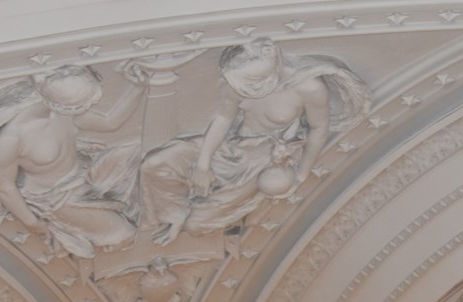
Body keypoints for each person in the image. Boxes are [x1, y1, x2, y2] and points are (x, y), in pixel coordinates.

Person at [140, 38, 370, 245]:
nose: (252, 88)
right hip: (231, 146)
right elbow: (223, 119)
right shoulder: (240, 81)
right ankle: (173, 212)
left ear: (272, 54)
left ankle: (198, 217)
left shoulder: (309, 88)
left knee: (196, 226)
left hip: (262, 156)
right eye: (247, 82)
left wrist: (301, 173)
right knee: (155, 164)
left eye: (258, 79)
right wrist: (203, 163)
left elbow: (319, 129)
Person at [0, 64, 149, 258]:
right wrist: (32, 223)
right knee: (125, 234)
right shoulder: (9, 140)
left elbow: (110, 122)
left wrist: (138, 87)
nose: (89, 107)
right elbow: (5, 187)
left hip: (86, 174)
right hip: (59, 200)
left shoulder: (64, 114)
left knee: (140, 156)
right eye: (84, 104)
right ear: (62, 104)